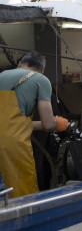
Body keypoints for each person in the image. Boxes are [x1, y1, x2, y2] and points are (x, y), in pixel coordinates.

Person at [0, 51, 69, 198]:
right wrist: (58, 123)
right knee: (25, 192)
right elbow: (48, 123)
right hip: (13, 145)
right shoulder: (41, 80)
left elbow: (14, 123)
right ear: (42, 71)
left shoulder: (2, 75)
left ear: (19, 64)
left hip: (7, 136)